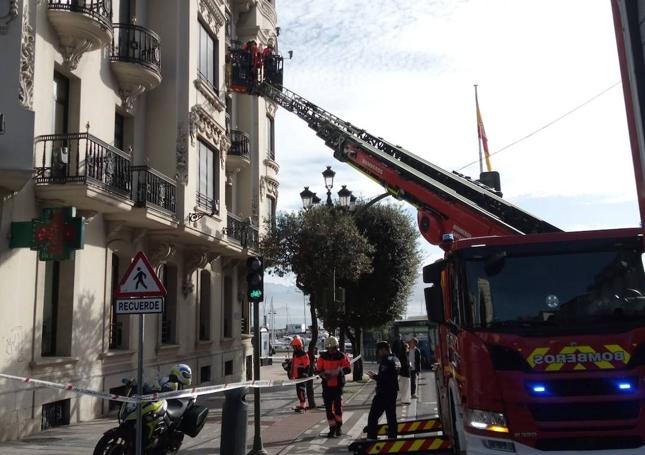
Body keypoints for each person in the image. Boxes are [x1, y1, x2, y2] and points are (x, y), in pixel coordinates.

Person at [316, 336, 351, 438]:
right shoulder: (322, 357)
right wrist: (322, 375)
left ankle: (338, 428)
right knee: (328, 409)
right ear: (327, 347)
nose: (332, 350)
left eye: (334, 348)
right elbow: (318, 370)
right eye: (330, 348)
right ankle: (332, 429)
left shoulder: (342, 356)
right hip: (327, 386)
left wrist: (339, 372)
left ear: (336, 346)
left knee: (338, 408)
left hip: (338, 386)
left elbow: (348, 369)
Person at [366, 341, 400, 440]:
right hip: (393, 391)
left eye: (379, 351)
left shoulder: (386, 361)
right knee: (391, 415)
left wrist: (374, 376)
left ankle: (372, 437)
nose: (378, 353)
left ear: (384, 349)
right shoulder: (396, 359)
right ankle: (392, 436)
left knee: (373, 415)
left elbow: (384, 378)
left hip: (384, 392)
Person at [289, 335, 311, 413]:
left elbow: (307, 365)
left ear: (298, 346)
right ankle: (302, 404)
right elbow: (294, 364)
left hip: (301, 375)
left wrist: (305, 373)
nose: (293, 348)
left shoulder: (303, 354)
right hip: (297, 375)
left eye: (294, 347)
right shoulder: (296, 353)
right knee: (298, 391)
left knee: (301, 390)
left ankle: (303, 406)